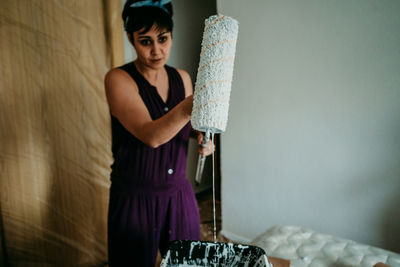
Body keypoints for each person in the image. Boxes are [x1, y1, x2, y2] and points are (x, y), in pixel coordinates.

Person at [104, 0, 213, 266]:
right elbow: (150, 134)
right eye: (146, 41)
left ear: (171, 36)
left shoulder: (182, 78)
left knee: (187, 263)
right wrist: (190, 106)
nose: (157, 50)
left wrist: (201, 135)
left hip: (179, 194)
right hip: (134, 199)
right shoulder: (118, 79)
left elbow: (186, 126)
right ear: (130, 38)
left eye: (163, 39)